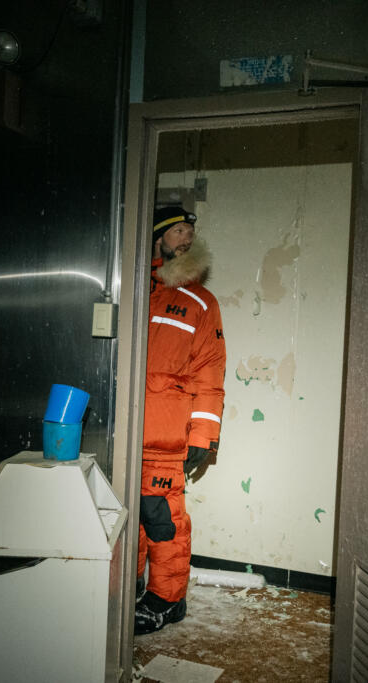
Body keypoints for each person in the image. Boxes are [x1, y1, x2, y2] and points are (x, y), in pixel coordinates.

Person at [135, 205, 226, 635]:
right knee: (122, 518)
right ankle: (131, 590)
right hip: (122, 436)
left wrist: (204, 436)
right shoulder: (130, 290)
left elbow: (211, 373)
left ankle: (166, 601)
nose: (187, 236)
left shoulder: (200, 302)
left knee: (161, 519)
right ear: (157, 238)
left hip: (165, 439)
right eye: (177, 230)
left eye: (190, 229)